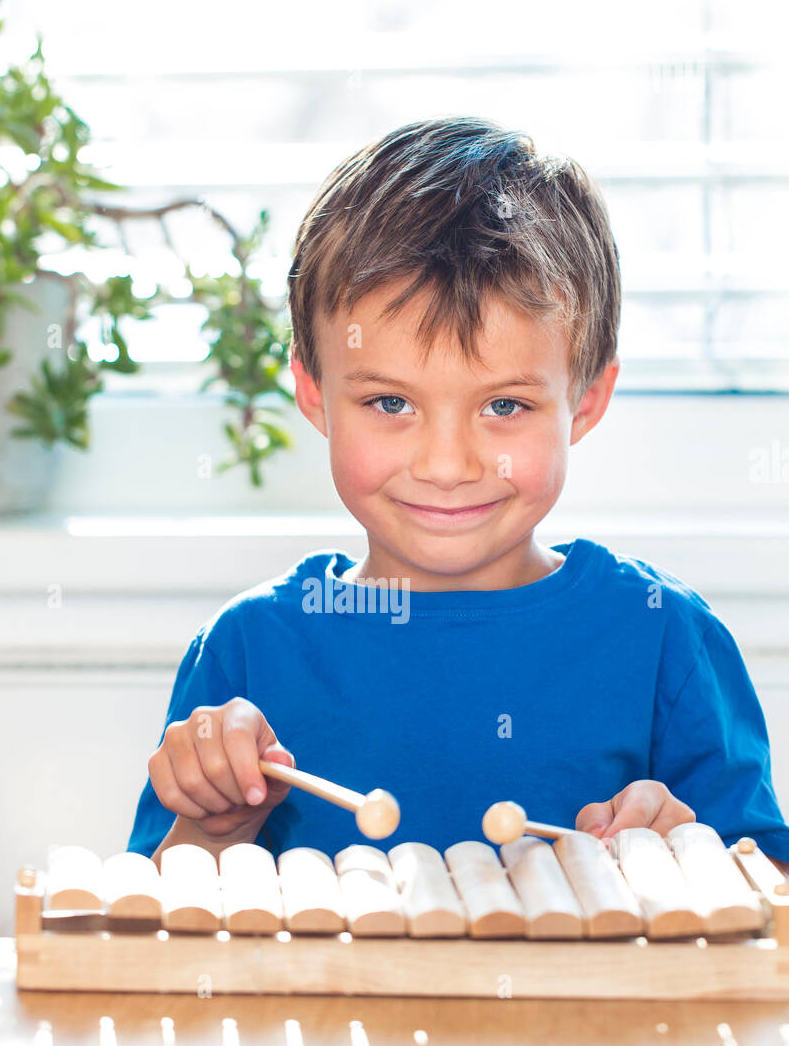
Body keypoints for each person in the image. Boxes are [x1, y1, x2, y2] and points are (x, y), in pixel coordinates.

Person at [127, 116, 789, 873]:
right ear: (314, 393)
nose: (446, 464)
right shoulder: (247, 650)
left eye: (504, 406)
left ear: (586, 400)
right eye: (389, 404)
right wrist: (212, 833)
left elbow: (768, 920)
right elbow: (151, 921)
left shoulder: (665, 638)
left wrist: (689, 857)